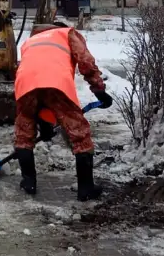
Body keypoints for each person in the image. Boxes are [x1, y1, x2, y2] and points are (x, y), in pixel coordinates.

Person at [13, 22, 113, 200]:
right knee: (79, 134)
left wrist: (44, 126)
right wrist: (99, 90)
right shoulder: (66, 33)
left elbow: (35, 73)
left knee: (24, 130)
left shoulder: (30, 41)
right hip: (56, 84)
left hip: (25, 84)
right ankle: (86, 188)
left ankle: (28, 182)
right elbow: (85, 62)